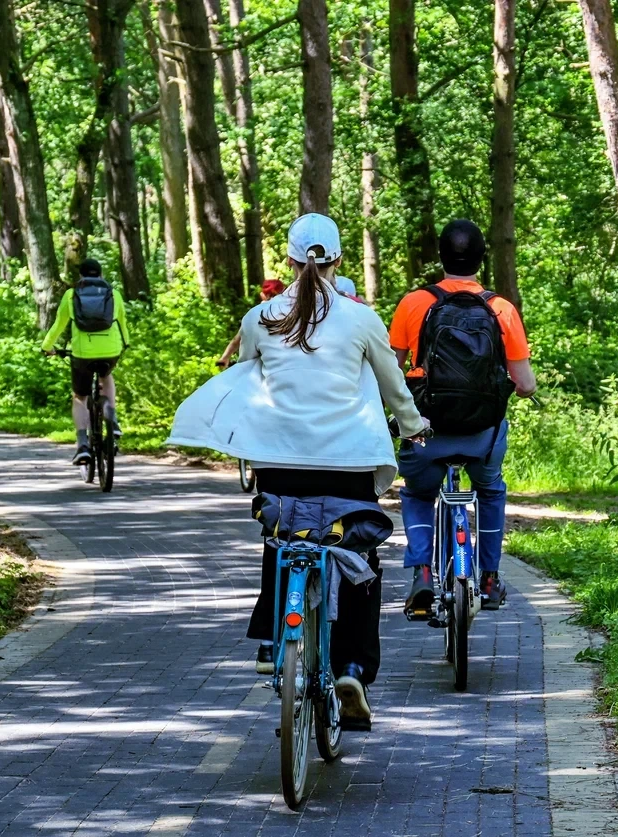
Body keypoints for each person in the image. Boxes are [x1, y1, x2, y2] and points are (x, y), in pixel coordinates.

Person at [168, 213, 428, 727]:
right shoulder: (360, 319)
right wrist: (413, 426)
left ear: (288, 260)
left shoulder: (261, 316)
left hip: (278, 465)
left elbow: (248, 382)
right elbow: (394, 386)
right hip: (349, 464)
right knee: (357, 553)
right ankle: (353, 666)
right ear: (338, 260)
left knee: (282, 535)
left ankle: (271, 638)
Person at [388, 219, 536, 612]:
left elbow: (391, 370)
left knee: (418, 492)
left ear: (440, 257)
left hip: (425, 430)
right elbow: (526, 383)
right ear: (481, 258)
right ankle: (488, 577)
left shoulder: (413, 303)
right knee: (490, 490)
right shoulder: (501, 308)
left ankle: (421, 571)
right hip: (481, 433)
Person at [41, 258, 129, 466]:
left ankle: (82, 444)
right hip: (111, 350)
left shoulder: (71, 295)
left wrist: (47, 347)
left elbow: (58, 326)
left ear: (80, 276)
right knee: (106, 375)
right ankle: (113, 421)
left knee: (80, 396)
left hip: (82, 354)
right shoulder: (113, 294)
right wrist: (125, 345)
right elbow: (122, 325)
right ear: (101, 274)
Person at [216, 278, 286, 369]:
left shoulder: (254, 314)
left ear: (263, 295)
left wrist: (225, 357)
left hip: (259, 366)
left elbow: (237, 339)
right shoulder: (290, 311)